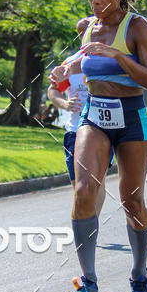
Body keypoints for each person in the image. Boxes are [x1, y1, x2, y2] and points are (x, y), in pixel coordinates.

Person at [49, 0, 147, 292]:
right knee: (84, 190)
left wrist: (118, 55)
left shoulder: (138, 27)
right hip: (94, 115)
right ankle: (89, 281)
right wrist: (66, 68)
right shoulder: (90, 28)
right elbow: (87, 61)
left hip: (130, 117)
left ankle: (140, 274)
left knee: (132, 201)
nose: (95, 1)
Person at [47, 55, 111, 215]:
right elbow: (53, 89)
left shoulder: (107, 59)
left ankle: (90, 228)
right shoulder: (70, 64)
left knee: (98, 182)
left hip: (103, 131)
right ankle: (85, 225)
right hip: (75, 131)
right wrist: (64, 104)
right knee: (79, 186)